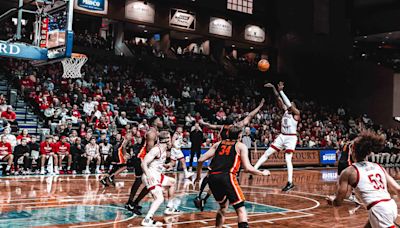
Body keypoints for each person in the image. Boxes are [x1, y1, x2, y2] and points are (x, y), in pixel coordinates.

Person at [194, 98, 265, 208]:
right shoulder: (238, 127)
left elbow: (209, 126)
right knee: (230, 176)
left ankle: (200, 196)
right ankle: (224, 195)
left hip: (220, 154)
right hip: (233, 154)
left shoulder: (221, 127)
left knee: (211, 175)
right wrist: (259, 107)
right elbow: (249, 116)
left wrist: (202, 122)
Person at [196, 125, 270, 228]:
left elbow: (200, 160)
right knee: (241, 210)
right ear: (240, 135)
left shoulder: (218, 144)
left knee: (222, 207)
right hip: (227, 177)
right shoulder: (240, 146)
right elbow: (247, 168)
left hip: (212, 178)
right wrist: (262, 173)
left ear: (227, 134)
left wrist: (198, 177)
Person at [327, 131, 400, 228]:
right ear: (368, 153)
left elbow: (338, 201)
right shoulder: (378, 167)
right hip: (391, 206)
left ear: (352, 151)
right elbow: (398, 189)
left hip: (378, 210)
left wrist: (332, 201)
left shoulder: (349, 172)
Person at [254, 82, 300, 192]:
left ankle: (290, 182)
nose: (290, 105)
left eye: (292, 104)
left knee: (288, 159)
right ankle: (253, 169)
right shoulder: (285, 111)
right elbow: (278, 98)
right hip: (282, 136)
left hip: (291, 138)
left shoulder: (297, 114)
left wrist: (281, 91)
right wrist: (274, 88)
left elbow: (287, 103)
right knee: (267, 153)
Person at [141, 131, 181, 226]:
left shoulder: (164, 149)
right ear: (167, 140)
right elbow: (143, 163)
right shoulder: (156, 149)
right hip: (151, 176)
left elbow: (157, 163)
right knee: (159, 198)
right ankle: (147, 219)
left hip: (157, 175)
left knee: (172, 182)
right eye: (170, 138)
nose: (172, 140)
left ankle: (169, 207)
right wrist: (148, 175)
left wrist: (165, 166)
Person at [125, 116, 162, 215]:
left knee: (148, 182)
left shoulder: (154, 133)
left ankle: (134, 202)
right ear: (154, 123)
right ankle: (131, 203)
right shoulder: (151, 133)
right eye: (159, 120)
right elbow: (149, 151)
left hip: (145, 158)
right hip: (142, 159)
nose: (161, 122)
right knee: (140, 181)